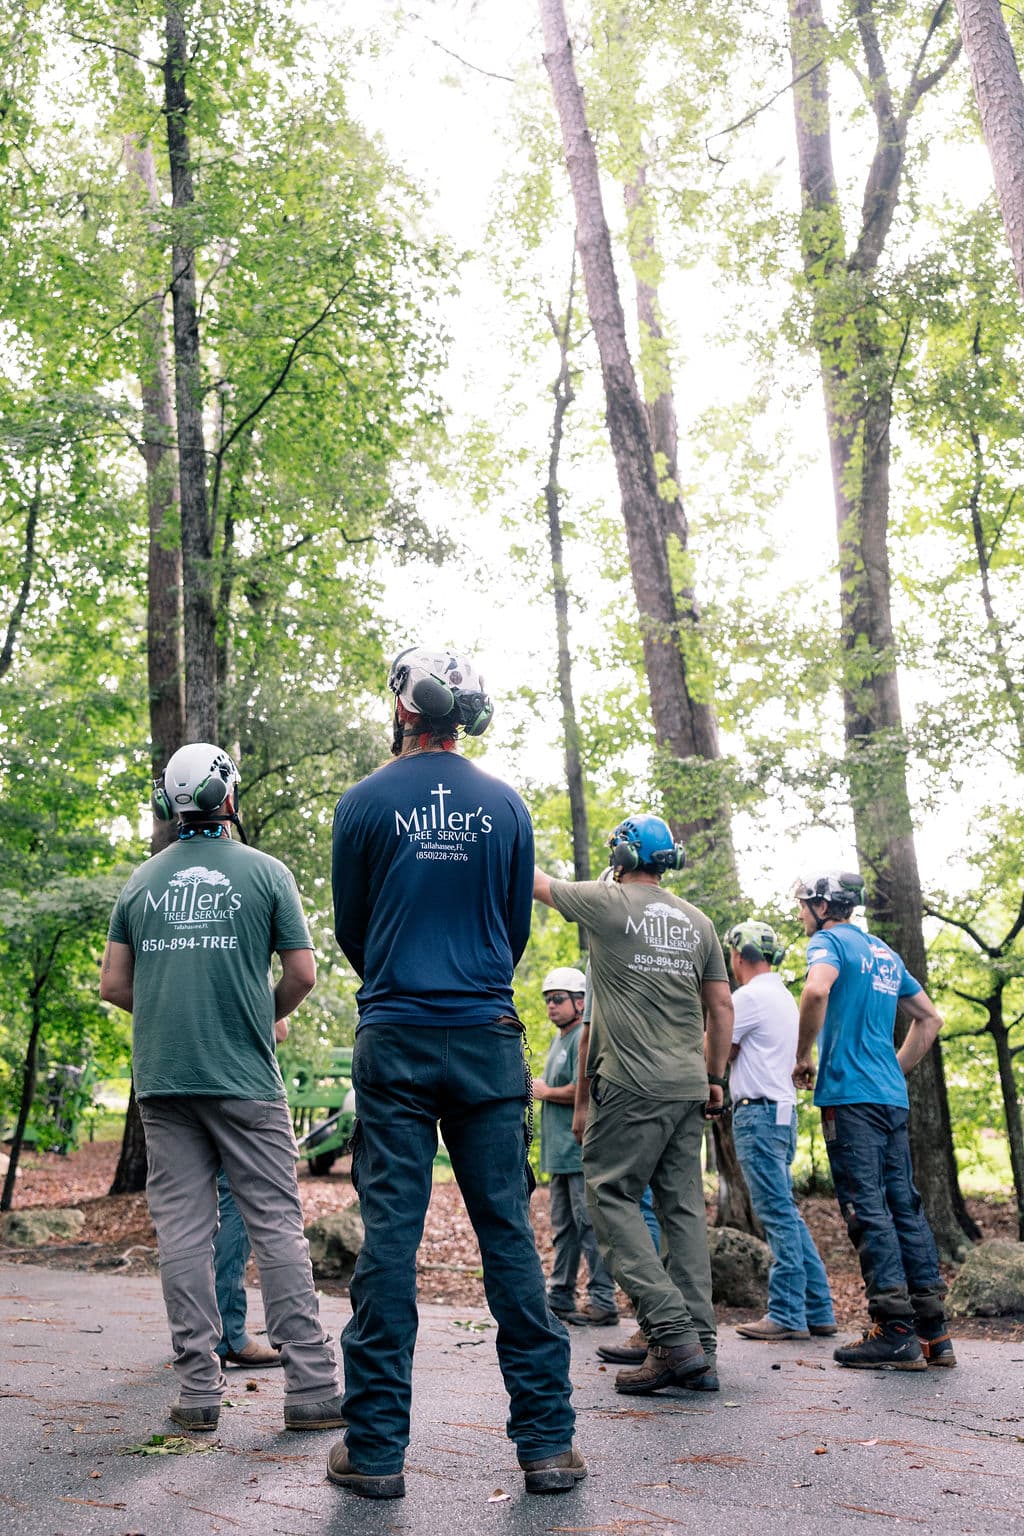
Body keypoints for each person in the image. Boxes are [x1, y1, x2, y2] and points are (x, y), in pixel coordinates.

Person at [328, 646, 582, 1500]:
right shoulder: (506, 806)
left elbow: (354, 930)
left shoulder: (363, 803)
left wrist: (403, 977)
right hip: (486, 1039)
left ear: (404, 710)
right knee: (508, 1236)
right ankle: (547, 1445)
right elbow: (512, 931)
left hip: (395, 1035)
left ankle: (374, 1452)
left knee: (389, 1242)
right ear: (465, 714)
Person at [100, 742, 343, 1433]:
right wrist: (254, 1017)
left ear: (169, 804)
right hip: (245, 1081)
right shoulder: (267, 873)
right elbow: (302, 975)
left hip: (164, 1080)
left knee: (182, 1232)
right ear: (227, 796)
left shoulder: (141, 882)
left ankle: (198, 1394)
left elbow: (113, 985)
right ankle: (313, 1389)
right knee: (275, 1225)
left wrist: (173, 1013)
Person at [534, 812, 734, 1396]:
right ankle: (702, 1348)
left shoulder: (609, 901)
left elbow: (532, 881)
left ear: (621, 857)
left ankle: (671, 1335)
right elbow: (721, 1007)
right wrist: (715, 1077)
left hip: (630, 1086)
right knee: (683, 1211)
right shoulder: (699, 922)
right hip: (688, 1085)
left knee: (609, 1197)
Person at [793, 871, 955, 1370]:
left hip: (851, 1098)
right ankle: (933, 1333)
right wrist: (891, 1070)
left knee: (867, 1207)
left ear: (823, 907)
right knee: (904, 1205)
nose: (800, 914)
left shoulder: (827, 943)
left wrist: (802, 1056)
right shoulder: (884, 953)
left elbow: (816, 992)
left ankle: (895, 1330)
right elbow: (930, 1018)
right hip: (889, 1098)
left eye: (803, 904)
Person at [724, 920, 837, 1343]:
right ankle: (818, 1309)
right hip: (780, 1114)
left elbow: (718, 1048)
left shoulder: (749, 997)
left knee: (776, 1213)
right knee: (786, 1211)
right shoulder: (782, 997)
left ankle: (787, 1312)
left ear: (738, 956)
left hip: (759, 1114)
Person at [533, 967, 618, 1327]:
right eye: (548, 1000)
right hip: (558, 1155)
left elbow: (583, 1087)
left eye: (558, 999)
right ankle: (560, 1295)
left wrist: (545, 1091)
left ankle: (603, 1299)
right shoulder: (559, 1039)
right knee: (563, 1229)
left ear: (580, 1003)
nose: (551, 1006)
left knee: (589, 1227)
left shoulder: (583, 1038)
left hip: (579, 1153)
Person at [213, 1018, 291, 1372]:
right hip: (235, 1081)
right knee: (236, 1201)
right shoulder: (241, 974)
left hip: (172, 1084)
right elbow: (278, 1029)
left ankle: (195, 1338)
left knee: (186, 1214)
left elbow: (112, 990)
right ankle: (226, 1335)